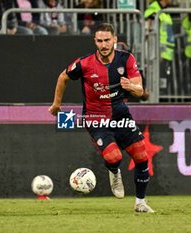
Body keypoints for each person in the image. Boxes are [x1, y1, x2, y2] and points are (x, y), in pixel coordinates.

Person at [49, 23, 154, 213]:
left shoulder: (126, 59)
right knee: (114, 157)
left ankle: (140, 203)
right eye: (100, 41)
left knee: (142, 156)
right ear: (95, 41)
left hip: (121, 114)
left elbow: (139, 90)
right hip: (96, 117)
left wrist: (131, 87)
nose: (104, 45)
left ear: (114, 40)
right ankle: (114, 171)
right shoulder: (85, 63)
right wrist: (57, 104)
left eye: (107, 40)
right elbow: (63, 77)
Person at [144, 0, 175, 98]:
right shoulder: (154, 9)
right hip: (158, 55)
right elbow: (149, 33)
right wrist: (155, 53)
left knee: (164, 86)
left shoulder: (164, 10)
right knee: (158, 88)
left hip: (166, 54)